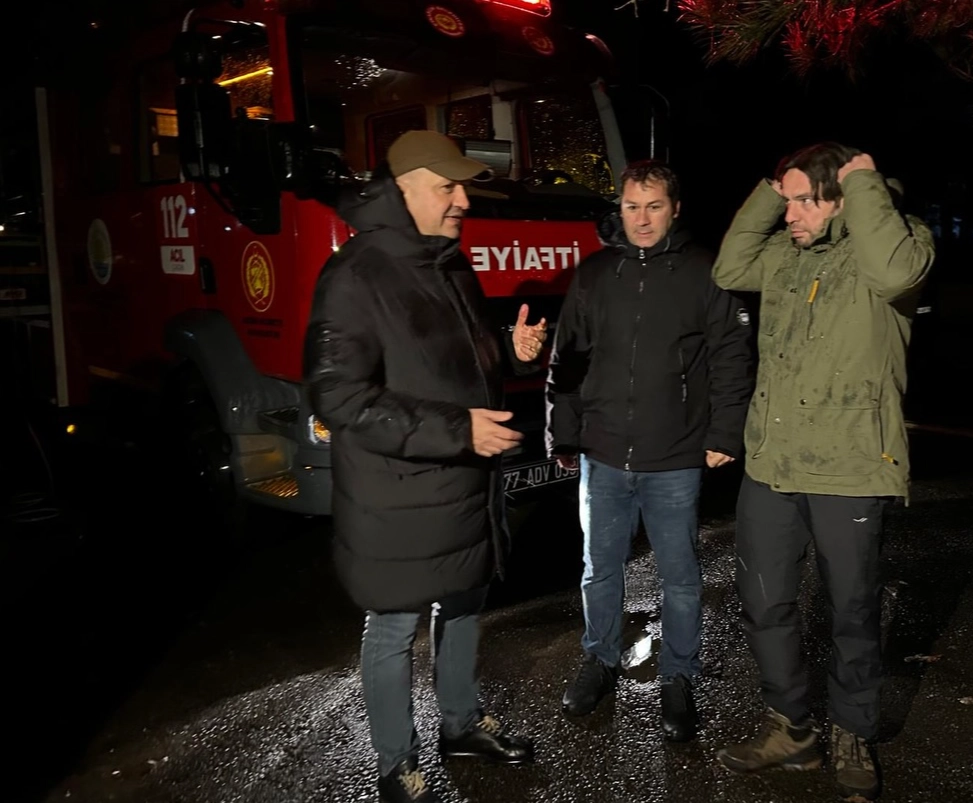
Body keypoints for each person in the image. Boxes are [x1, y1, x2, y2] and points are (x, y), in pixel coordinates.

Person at [303, 130, 549, 803]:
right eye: (447, 187)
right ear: (405, 188)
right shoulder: (355, 275)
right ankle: (396, 765)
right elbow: (338, 395)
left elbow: (454, 359)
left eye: (462, 187)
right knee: (392, 627)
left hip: (462, 484)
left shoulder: (448, 262)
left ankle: (461, 724)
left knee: (465, 598)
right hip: (397, 492)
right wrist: (457, 429)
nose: (462, 200)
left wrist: (511, 350)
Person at [709, 142, 935, 801]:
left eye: (804, 201)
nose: (790, 216)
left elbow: (895, 276)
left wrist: (866, 185)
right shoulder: (786, 254)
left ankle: (852, 730)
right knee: (764, 601)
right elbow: (729, 267)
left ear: (841, 196)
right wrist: (772, 188)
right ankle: (790, 728)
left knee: (853, 610)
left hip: (851, 463)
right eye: (785, 203)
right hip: (773, 462)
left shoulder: (897, 241)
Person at [545, 159, 755, 741]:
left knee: (680, 576)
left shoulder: (704, 271)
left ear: (675, 209)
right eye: (632, 206)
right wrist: (564, 433)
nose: (641, 219)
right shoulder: (595, 274)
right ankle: (600, 658)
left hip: (675, 456)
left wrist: (724, 433)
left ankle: (678, 676)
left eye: (654, 206)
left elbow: (731, 356)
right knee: (599, 569)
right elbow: (568, 359)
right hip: (603, 453)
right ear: (620, 208)